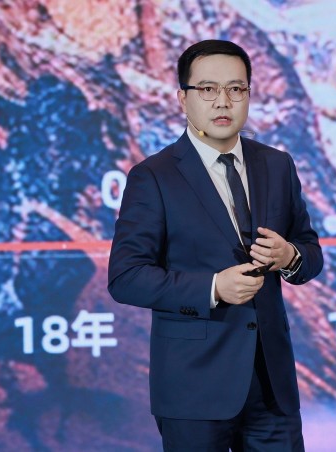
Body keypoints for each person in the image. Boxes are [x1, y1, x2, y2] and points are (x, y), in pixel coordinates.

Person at [108, 39, 323, 451]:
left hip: (272, 389)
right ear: (183, 99)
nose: (223, 101)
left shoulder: (277, 165)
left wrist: (290, 256)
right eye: (207, 89)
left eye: (236, 89)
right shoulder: (153, 176)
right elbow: (126, 277)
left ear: (248, 95)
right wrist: (213, 288)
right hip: (194, 387)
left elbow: (310, 252)